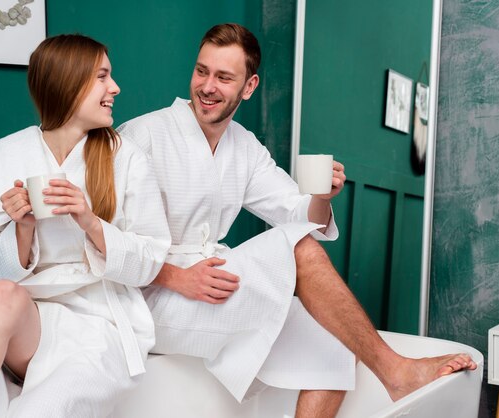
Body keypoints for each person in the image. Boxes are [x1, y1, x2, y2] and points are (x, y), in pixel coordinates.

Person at [117, 23, 476, 417]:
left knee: (339, 344)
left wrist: (320, 198)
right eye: (202, 71)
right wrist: (178, 277)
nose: (207, 86)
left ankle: (392, 369)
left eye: (224, 77)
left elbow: (298, 213)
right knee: (298, 249)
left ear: (249, 87)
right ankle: (395, 370)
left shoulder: (245, 146)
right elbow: (107, 242)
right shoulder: (141, 136)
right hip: (157, 297)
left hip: (213, 282)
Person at [0, 34, 170, 418]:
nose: (115, 88)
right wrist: (23, 227)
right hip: (31, 323)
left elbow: (149, 263)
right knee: (3, 293)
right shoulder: (1, 159)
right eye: (102, 77)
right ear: (69, 83)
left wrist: (90, 221)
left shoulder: (127, 158)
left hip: (99, 324)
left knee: (39, 409)